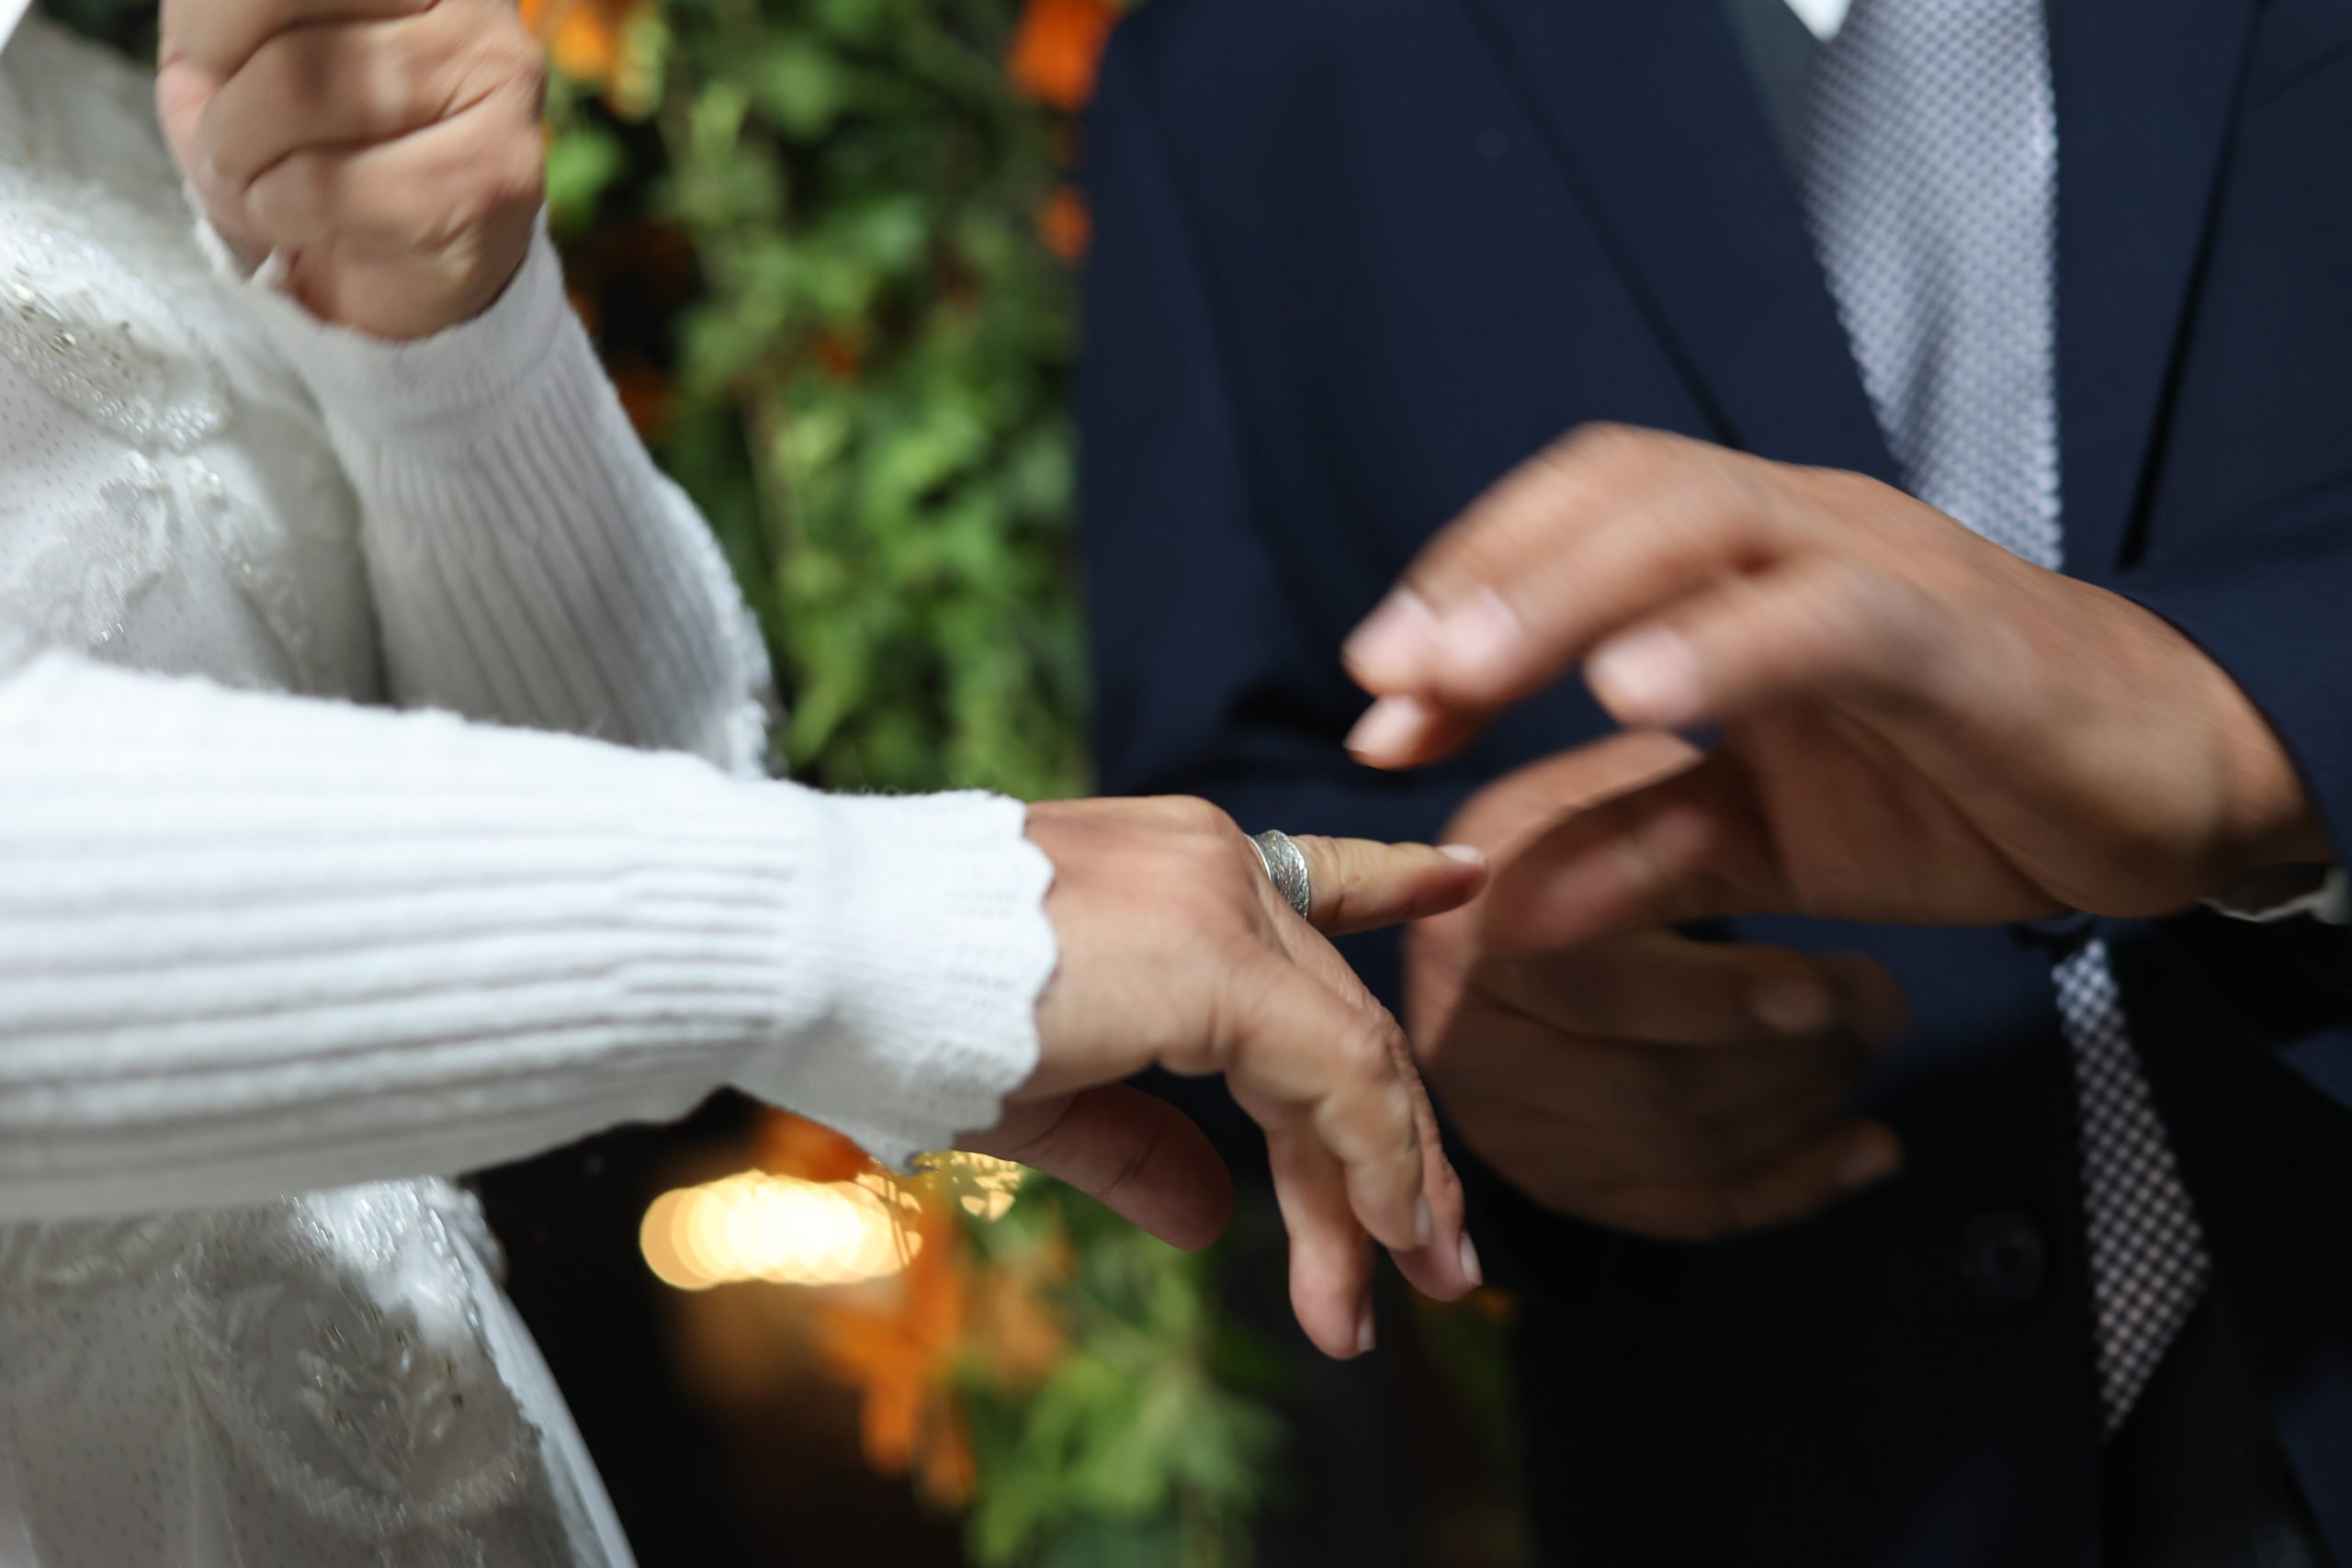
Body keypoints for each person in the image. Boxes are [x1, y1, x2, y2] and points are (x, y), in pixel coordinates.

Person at [0, 0, 1490, 1560]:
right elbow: (712, 901)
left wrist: (443, 348)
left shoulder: (139, 109)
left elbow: (641, 797)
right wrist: (877, 923)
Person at [1078, 0, 2352, 1562]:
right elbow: (1211, 832)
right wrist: (1454, 1009)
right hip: (1787, 1449)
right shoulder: (1246, 65)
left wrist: (2255, 715)